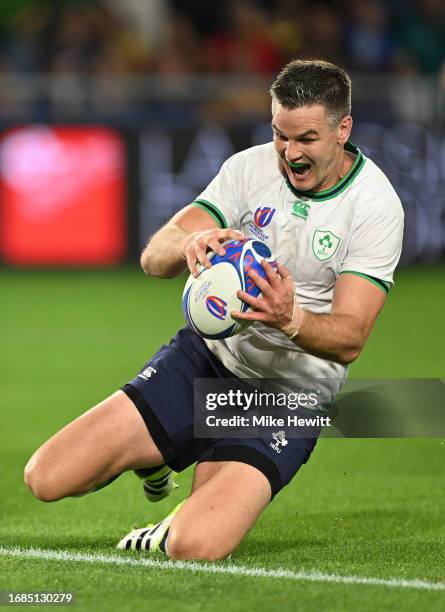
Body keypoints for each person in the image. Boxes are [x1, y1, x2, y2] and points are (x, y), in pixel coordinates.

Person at [24, 59, 404, 561]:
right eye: (279, 135)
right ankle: (156, 457)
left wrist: (286, 316)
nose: (290, 154)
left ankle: (170, 514)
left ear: (343, 129)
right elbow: (153, 255)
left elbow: (350, 336)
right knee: (46, 478)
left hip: (290, 393)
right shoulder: (248, 169)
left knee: (193, 546)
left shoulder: (375, 206)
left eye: (306, 139)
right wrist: (188, 243)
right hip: (207, 362)